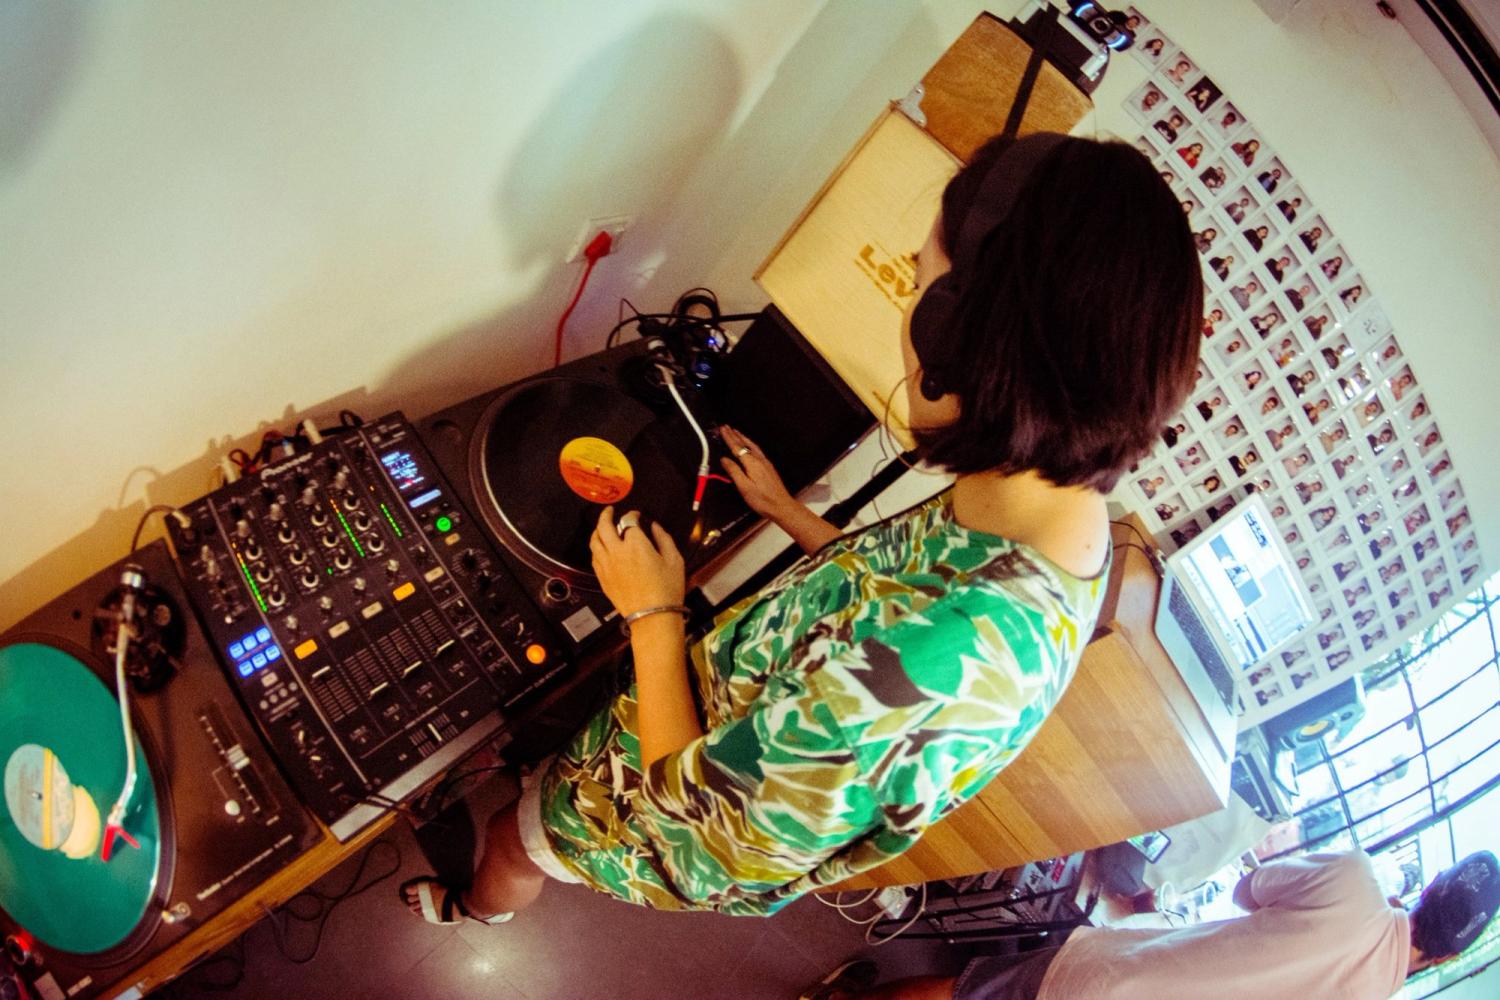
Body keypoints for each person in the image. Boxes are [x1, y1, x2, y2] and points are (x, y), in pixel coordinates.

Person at [401, 132, 1204, 928]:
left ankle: (475, 908)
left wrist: (653, 613)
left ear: (955, 342)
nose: (906, 314)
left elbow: (699, 845)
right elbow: (884, 607)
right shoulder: (1050, 511)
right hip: (686, 712)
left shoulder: (948, 672)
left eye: (917, 285)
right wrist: (788, 513)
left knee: (512, 840)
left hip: (643, 813)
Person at [806, 850, 1500, 1000]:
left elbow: (1246, 890)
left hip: (1115, 982)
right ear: (1443, 960)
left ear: (1429, 888)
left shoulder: (1356, 882)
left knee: (970, 993)